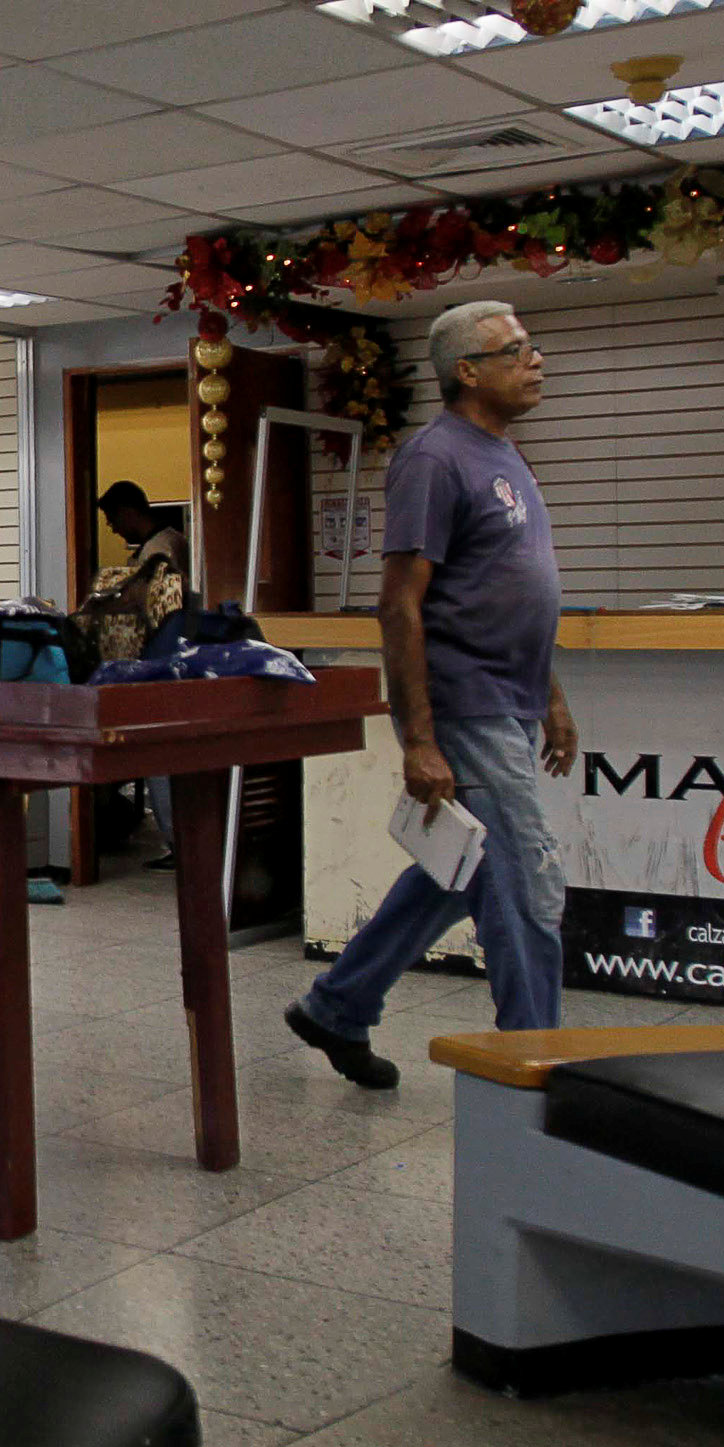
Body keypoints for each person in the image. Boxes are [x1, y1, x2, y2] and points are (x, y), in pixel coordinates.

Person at [288, 300, 574, 1089]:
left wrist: (547, 696)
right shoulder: (434, 458)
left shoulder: (504, 455)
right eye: (517, 350)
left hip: (510, 700)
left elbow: (503, 592)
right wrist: (418, 738)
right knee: (524, 888)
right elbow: (400, 602)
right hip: (468, 703)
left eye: (531, 344)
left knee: (457, 870)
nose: (536, 359)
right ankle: (534, 1065)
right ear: (467, 373)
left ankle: (335, 1007)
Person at [96, 481, 191, 869]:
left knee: (158, 760)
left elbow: (149, 616)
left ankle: (178, 844)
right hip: (167, 666)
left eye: (112, 519)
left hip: (160, 669)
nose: (113, 529)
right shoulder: (168, 543)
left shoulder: (160, 553)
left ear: (128, 511)